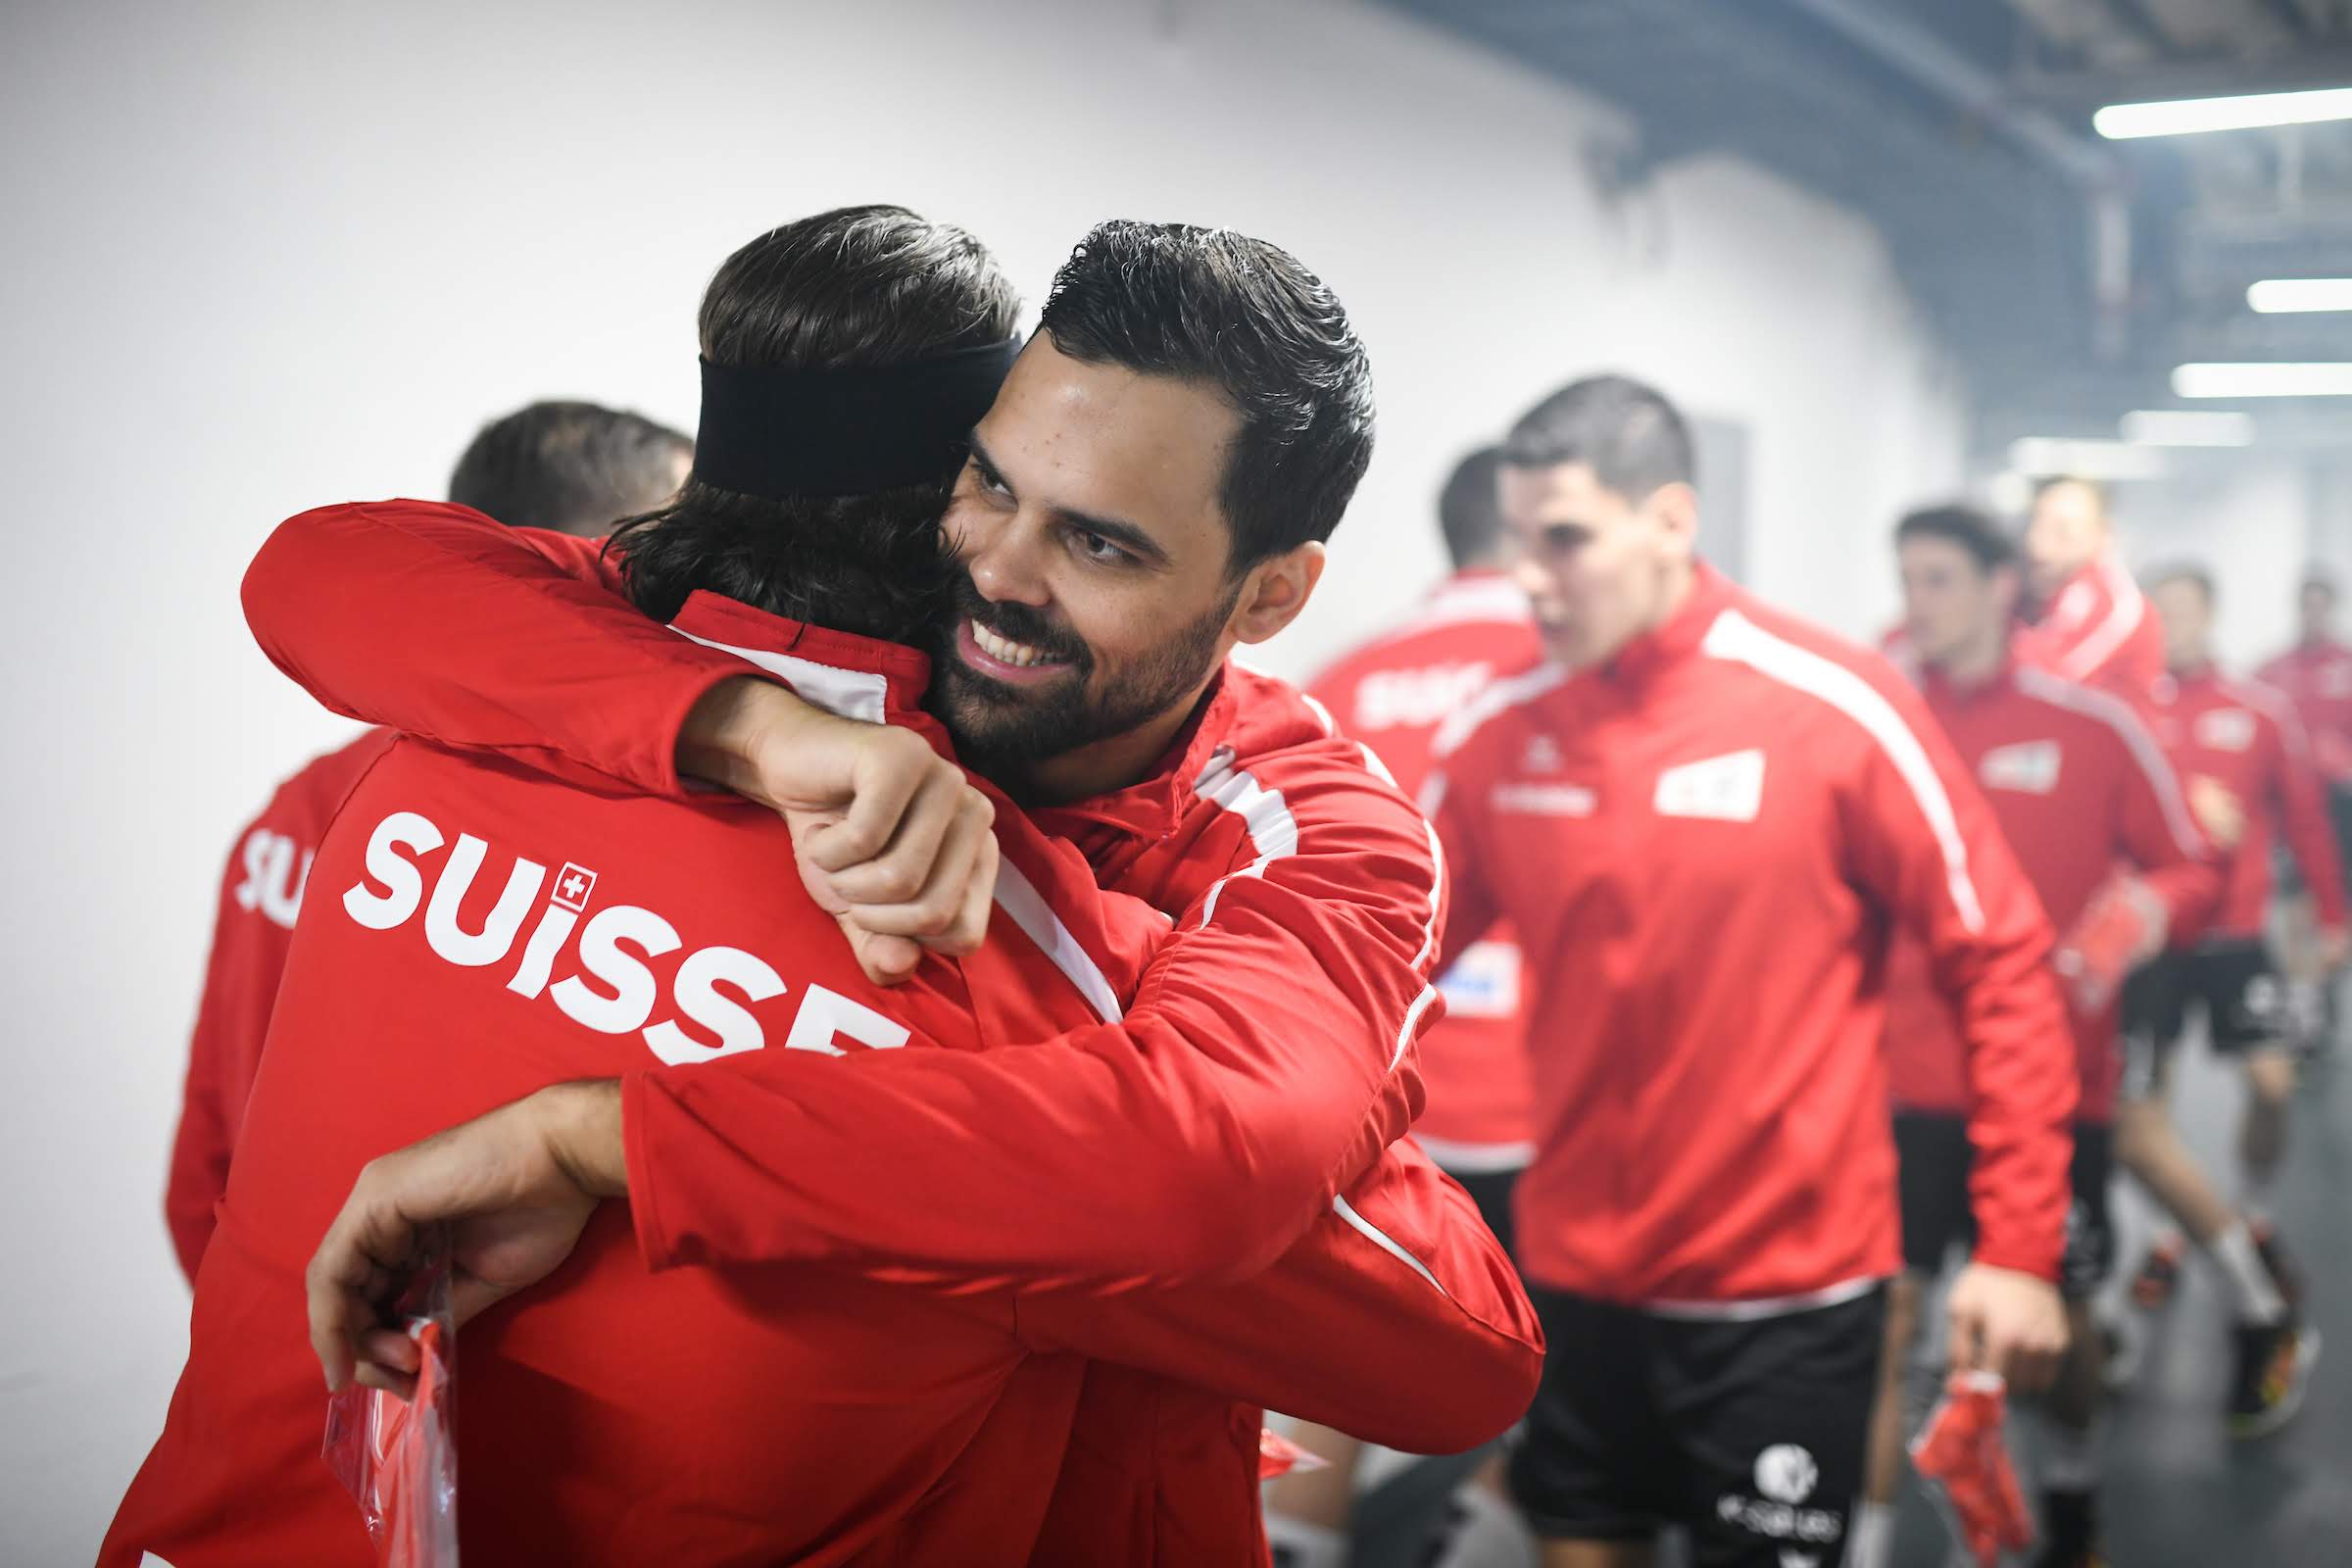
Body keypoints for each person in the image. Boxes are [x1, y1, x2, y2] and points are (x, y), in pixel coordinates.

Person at [108, 209, 1539, 1567]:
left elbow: (1216, 1160)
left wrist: (608, 1142)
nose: (994, 568)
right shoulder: (661, 690)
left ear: (1272, 596)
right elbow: (321, 567)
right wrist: (754, 734)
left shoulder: (1303, 837)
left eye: (1098, 542)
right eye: (985, 482)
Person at [1421, 375, 2079, 1568]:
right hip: (1574, 1284)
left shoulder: (1833, 706)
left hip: (1788, 1303)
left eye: (1565, 538)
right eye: (1520, 540)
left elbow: (2004, 961)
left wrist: (2020, 1243)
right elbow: (1382, 961)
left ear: (1670, 522)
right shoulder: (1502, 732)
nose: (1531, 575)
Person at [165, 400, 693, 1282]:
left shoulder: (301, 803)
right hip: (440, 1342)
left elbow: (204, 1159)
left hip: (278, 1321)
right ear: (559, 562)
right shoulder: (550, 819)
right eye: (662, 564)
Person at [1863, 505, 2218, 1568]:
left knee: (2050, 1336)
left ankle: (2071, 1490)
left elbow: (2192, 864)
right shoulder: (1886, 721)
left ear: (1996, 584)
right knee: (1888, 1327)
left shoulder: (2094, 727)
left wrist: (2135, 922)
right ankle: (1865, 1542)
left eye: (1937, 580)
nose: (1915, 604)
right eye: (1907, 579)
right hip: (1900, 1087)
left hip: (2054, 1092)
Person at [1270, 446, 1546, 1568]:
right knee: (1556, 1388)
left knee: (1332, 1365)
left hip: (1378, 1085)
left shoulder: (1341, 679)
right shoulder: (1564, 677)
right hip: (1552, 1101)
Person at [2113, 564, 2335, 1438]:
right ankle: (2172, 1234)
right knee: (2143, 1119)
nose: (2172, 624)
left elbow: (2308, 815)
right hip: (2157, 940)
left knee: (2274, 1086)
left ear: (2211, 613)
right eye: (2157, 612)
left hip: (2239, 934)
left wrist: (2332, 913)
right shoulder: (2128, 713)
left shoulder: (2257, 709)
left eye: (2184, 609)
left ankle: (2244, 1211)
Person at [2254, 568, 2352, 1056]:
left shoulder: (2347, 664)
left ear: (2330, 608)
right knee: (2296, 907)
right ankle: (2305, 1012)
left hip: (2343, 807)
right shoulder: (2273, 670)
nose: (2312, 613)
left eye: (2321, 605)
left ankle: (2329, 998)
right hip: (2290, 813)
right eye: (2305, 604)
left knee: (2338, 906)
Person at [2018, 475, 2165, 701]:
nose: (2039, 545)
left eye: (2063, 532)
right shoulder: (2035, 593)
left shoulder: (2114, 607)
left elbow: (2046, 686)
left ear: (2102, 535)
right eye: (2036, 526)